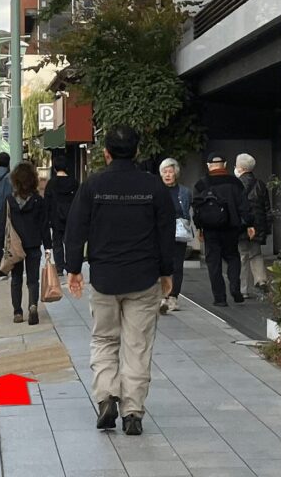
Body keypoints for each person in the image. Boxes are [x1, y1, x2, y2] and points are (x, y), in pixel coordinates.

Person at [65, 125, 175, 436]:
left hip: (104, 277)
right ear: (137, 152)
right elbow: (166, 233)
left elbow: (76, 228)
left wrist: (73, 269)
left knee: (103, 340)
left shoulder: (94, 186)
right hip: (143, 278)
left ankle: (106, 398)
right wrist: (167, 273)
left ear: (106, 153)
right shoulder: (153, 187)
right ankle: (133, 412)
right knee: (137, 346)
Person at [193, 153, 254, 307]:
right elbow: (244, 206)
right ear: (225, 164)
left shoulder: (201, 184)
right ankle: (235, 287)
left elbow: (196, 208)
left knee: (213, 263)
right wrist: (249, 224)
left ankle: (220, 298)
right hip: (231, 228)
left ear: (208, 165)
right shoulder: (235, 183)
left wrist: (199, 228)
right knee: (233, 257)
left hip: (210, 230)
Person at [0, 161, 52, 325]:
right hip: (34, 244)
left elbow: (3, 225)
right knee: (32, 279)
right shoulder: (38, 200)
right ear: (33, 180)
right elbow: (44, 225)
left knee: (16, 279)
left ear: (15, 180)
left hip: (15, 247)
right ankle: (33, 306)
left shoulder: (9, 200)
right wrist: (48, 247)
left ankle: (17, 312)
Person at [158, 158, 193, 314]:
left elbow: (186, 213)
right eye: (164, 172)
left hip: (179, 233)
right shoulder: (157, 190)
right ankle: (162, 297)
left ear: (176, 173)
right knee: (161, 265)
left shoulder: (184, 192)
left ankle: (173, 297)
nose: (167, 175)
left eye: (170, 172)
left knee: (177, 266)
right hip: (160, 233)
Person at [234, 153, 271, 297]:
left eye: (236, 165)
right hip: (258, 225)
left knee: (242, 256)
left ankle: (243, 290)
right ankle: (261, 279)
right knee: (255, 253)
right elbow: (266, 207)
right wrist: (266, 227)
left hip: (242, 225)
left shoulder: (235, 184)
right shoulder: (260, 184)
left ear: (241, 167)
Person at [44, 156, 78, 276]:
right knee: (69, 242)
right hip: (71, 217)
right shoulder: (74, 182)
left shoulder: (51, 183)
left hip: (55, 217)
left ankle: (59, 268)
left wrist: (46, 219)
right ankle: (70, 266)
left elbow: (47, 202)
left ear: (54, 168)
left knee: (57, 242)